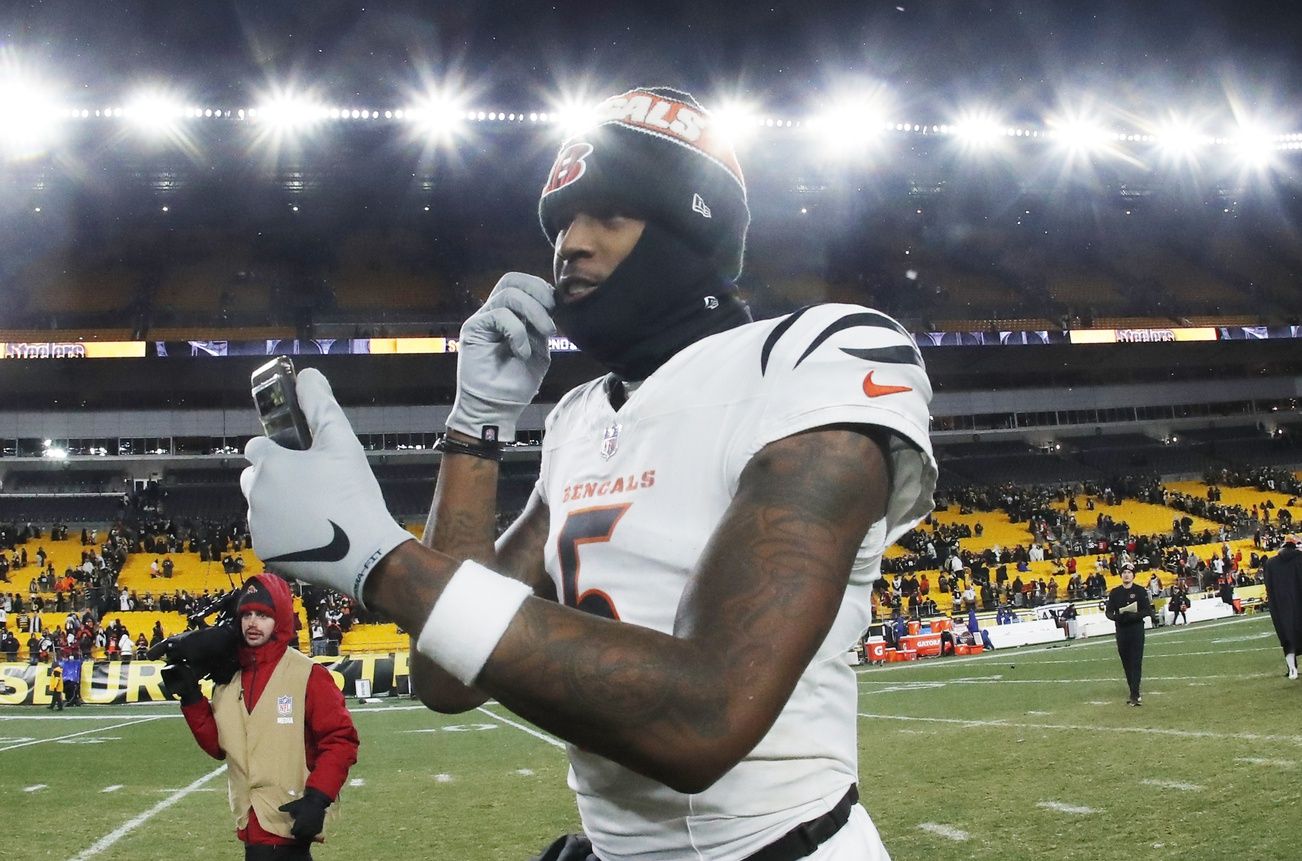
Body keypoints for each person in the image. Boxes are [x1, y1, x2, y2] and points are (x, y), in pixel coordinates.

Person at [242, 85, 937, 860]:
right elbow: (447, 675)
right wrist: (475, 426)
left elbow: (709, 715)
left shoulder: (816, 353)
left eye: (608, 214)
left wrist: (375, 559)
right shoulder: (579, 416)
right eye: (562, 222)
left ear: (689, 227)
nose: (570, 243)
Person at [170, 575, 359, 859]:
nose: (253, 623)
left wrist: (318, 798)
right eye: (246, 614)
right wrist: (192, 700)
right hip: (251, 825)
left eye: (262, 615)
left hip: (289, 821)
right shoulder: (228, 680)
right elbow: (219, 747)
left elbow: (341, 740)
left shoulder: (309, 674)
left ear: (280, 619)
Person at [1104, 562, 1155, 706]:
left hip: (1136, 629)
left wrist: (1135, 616)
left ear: (1133, 575)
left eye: (1129, 572)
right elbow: (1108, 612)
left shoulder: (1140, 591)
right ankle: (1132, 690)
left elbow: (1147, 610)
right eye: (1124, 572)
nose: (1126, 575)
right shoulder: (1115, 592)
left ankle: (1135, 693)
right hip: (1122, 630)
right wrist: (1117, 617)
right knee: (1126, 662)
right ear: (1121, 575)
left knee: (1136, 661)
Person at [1263, 533, 1302, 680]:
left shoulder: (1271, 563)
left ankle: (1292, 670)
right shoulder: (1300, 559)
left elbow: (1269, 587)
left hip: (1282, 606)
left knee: (1287, 638)